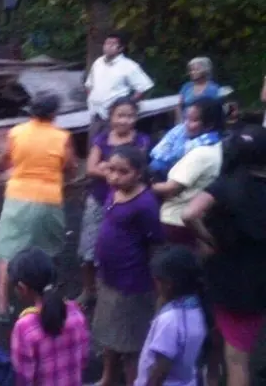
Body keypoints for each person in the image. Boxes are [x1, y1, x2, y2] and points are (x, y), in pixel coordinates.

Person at [182, 125, 266, 386]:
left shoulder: (227, 186)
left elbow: (189, 214)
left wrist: (208, 238)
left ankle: (214, 374)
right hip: (259, 276)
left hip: (231, 280)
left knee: (237, 358)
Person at [0, 92, 76, 323]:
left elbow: (3, 162)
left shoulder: (17, 132)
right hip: (49, 199)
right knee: (46, 250)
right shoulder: (62, 137)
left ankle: (2, 304)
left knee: (7, 250)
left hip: (18, 196)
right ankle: (44, 303)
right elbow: (70, 167)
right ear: (53, 113)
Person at [92, 145, 164, 386]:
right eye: (111, 169)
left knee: (131, 344)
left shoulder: (145, 204)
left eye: (122, 172)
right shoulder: (114, 192)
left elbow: (155, 243)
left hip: (131, 282)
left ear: (138, 173)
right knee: (109, 336)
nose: (113, 176)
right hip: (108, 277)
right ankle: (107, 378)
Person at [77, 97, 150, 306]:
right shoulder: (102, 138)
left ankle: (108, 292)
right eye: (120, 115)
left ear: (135, 118)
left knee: (117, 247)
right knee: (88, 248)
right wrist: (119, 170)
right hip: (99, 199)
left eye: (129, 115)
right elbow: (90, 169)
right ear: (111, 117)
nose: (124, 120)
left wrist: (106, 166)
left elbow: (138, 169)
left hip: (128, 203)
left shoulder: (142, 140)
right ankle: (88, 290)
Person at [9, 247, 89, 386]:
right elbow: (83, 360)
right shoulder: (76, 314)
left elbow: (23, 378)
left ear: (22, 288)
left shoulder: (24, 327)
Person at [153, 98, 224, 248]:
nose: (186, 125)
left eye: (193, 120)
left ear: (209, 124)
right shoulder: (217, 145)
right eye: (186, 118)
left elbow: (171, 189)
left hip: (176, 221)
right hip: (191, 221)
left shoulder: (200, 153)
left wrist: (141, 185)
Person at [134, 245, 208, 386]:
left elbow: (160, 370)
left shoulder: (170, 321)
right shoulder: (199, 308)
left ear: (168, 284)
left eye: (157, 279)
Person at [150, 58, 223, 179]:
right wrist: (180, 122)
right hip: (186, 123)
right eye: (191, 69)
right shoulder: (187, 87)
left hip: (202, 125)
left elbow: (216, 110)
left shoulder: (213, 88)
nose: (192, 72)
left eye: (196, 69)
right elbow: (179, 105)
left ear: (205, 70)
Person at [84, 31, 154, 143]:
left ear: (120, 48)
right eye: (106, 43)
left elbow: (144, 86)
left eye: (112, 44)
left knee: (112, 147)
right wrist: (92, 100)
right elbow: (89, 85)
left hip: (115, 118)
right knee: (93, 146)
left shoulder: (128, 66)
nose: (108, 46)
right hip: (96, 115)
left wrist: (128, 105)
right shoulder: (98, 63)